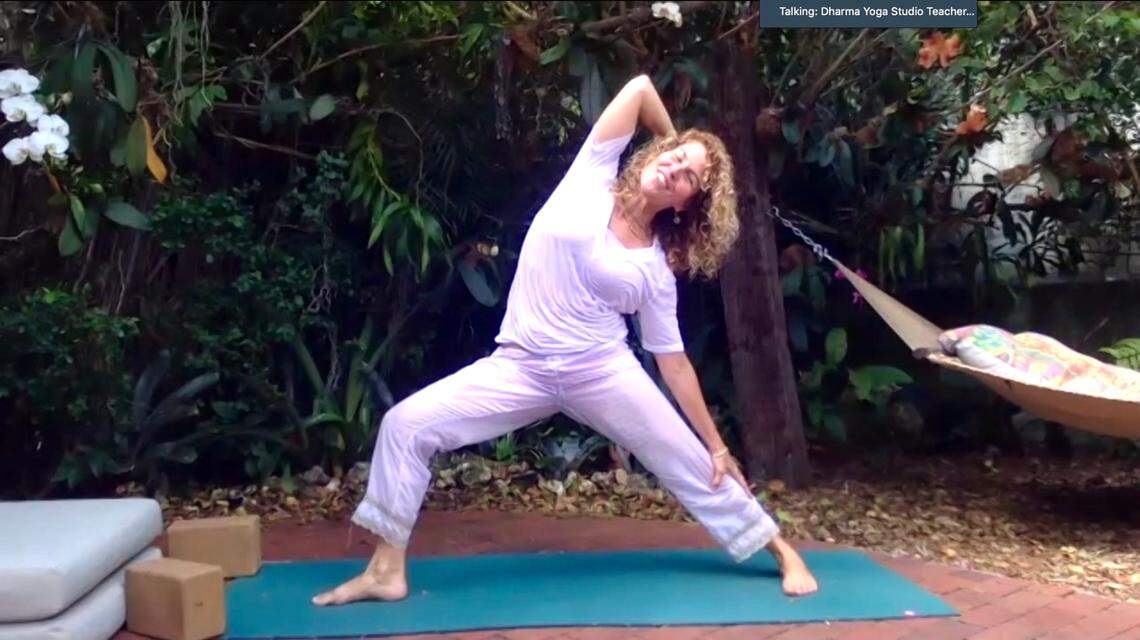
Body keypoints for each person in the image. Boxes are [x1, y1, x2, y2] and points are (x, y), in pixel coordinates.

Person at [312, 74, 819, 606]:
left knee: (692, 460)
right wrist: (677, 147)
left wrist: (718, 446)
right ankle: (385, 571)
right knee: (405, 425)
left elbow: (673, 363)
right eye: (673, 158)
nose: (674, 170)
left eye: (689, 177)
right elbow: (641, 89)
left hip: (600, 370)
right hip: (520, 367)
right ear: (655, 153)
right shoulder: (591, 173)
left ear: (688, 203)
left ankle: (781, 549)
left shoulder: (654, 270)